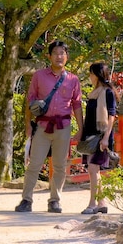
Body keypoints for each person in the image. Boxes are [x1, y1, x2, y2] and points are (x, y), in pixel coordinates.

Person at [15, 40, 84, 214]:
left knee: (60, 165)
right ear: (49, 56)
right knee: (34, 164)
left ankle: (55, 200)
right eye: (55, 53)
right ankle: (26, 200)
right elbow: (30, 101)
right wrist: (28, 127)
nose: (59, 56)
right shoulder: (39, 76)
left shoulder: (73, 79)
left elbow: (76, 105)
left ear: (67, 57)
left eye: (62, 53)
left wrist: (80, 129)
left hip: (63, 125)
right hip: (43, 125)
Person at [80, 61, 117, 215]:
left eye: (91, 73)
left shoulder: (108, 93)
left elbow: (112, 115)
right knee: (93, 170)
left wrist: (106, 137)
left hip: (101, 135)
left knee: (93, 168)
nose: (89, 76)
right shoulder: (94, 93)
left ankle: (92, 203)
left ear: (96, 75)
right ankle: (101, 202)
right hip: (90, 134)